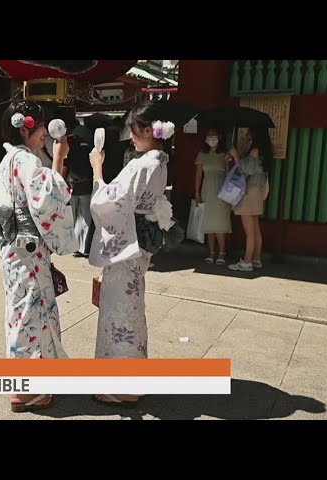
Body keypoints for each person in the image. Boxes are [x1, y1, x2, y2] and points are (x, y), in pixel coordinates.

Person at [0, 100, 77, 412]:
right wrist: (59, 162)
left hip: (12, 247)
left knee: (20, 312)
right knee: (30, 316)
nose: (45, 132)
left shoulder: (9, 159)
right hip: (27, 249)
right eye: (42, 126)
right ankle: (26, 391)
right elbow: (46, 200)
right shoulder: (27, 161)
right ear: (25, 127)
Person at [88, 100, 176, 407]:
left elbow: (109, 202)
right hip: (137, 247)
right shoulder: (160, 162)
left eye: (134, 128)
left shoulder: (143, 164)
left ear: (148, 130)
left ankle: (122, 386)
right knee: (131, 308)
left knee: (118, 311)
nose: (131, 134)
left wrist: (97, 168)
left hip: (126, 247)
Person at [227, 126, 272, 272]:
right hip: (258, 192)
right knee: (255, 227)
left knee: (249, 230)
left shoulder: (254, 151)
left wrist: (235, 156)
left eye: (248, 132)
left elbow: (245, 169)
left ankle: (247, 261)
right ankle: (256, 258)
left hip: (249, 191)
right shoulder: (266, 151)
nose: (246, 134)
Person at [194, 128, 232, 265]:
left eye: (214, 136)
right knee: (208, 223)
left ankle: (222, 253)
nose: (211, 139)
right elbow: (199, 175)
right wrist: (197, 193)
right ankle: (211, 253)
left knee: (220, 223)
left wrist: (230, 160)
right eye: (208, 136)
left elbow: (231, 174)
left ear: (219, 137)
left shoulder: (225, 154)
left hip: (222, 191)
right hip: (207, 190)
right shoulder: (202, 154)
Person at [64, 125, 95, 257]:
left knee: (74, 217)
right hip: (86, 187)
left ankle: (74, 245)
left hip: (72, 187)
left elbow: (67, 167)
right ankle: (83, 247)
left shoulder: (72, 151)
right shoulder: (92, 151)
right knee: (85, 218)